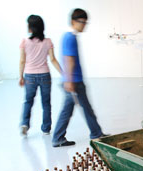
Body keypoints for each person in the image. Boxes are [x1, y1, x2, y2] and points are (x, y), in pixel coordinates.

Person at [52, 8, 106, 147]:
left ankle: (95, 132)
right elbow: (69, 59)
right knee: (71, 110)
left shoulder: (70, 36)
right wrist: (69, 80)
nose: (83, 25)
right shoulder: (70, 37)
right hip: (74, 82)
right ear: (73, 21)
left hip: (74, 81)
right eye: (81, 22)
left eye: (85, 22)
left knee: (83, 108)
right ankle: (59, 137)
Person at [19, 15, 62, 136]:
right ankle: (46, 128)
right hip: (45, 75)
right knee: (46, 103)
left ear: (31, 28)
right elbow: (53, 59)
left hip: (30, 75)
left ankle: (25, 124)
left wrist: (21, 76)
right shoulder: (48, 42)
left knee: (28, 101)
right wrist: (63, 73)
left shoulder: (24, 42)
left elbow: (22, 60)